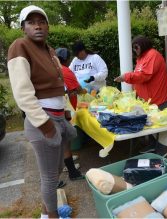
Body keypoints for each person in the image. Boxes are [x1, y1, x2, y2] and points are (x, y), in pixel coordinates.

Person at [7, 5, 77, 218]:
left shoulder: (50, 50)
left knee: (56, 171)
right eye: (31, 22)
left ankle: (47, 212)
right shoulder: (20, 46)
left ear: (48, 26)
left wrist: (65, 111)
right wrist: (46, 126)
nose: (37, 26)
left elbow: (58, 86)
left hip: (56, 117)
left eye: (42, 21)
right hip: (42, 120)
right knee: (48, 176)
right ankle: (51, 216)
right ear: (23, 28)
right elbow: (22, 93)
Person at [114, 35, 167, 157]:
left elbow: (145, 75)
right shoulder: (141, 58)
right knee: (149, 124)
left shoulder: (153, 55)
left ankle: (162, 152)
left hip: (159, 97)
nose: (135, 50)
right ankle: (152, 144)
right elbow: (139, 77)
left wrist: (126, 77)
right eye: (133, 47)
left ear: (143, 44)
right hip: (148, 100)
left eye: (136, 47)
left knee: (160, 125)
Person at [55, 47, 85, 181]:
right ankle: (72, 171)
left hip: (56, 109)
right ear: (66, 59)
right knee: (65, 139)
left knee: (62, 139)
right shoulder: (66, 71)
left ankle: (67, 161)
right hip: (62, 109)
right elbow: (78, 89)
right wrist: (85, 92)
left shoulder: (53, 69)